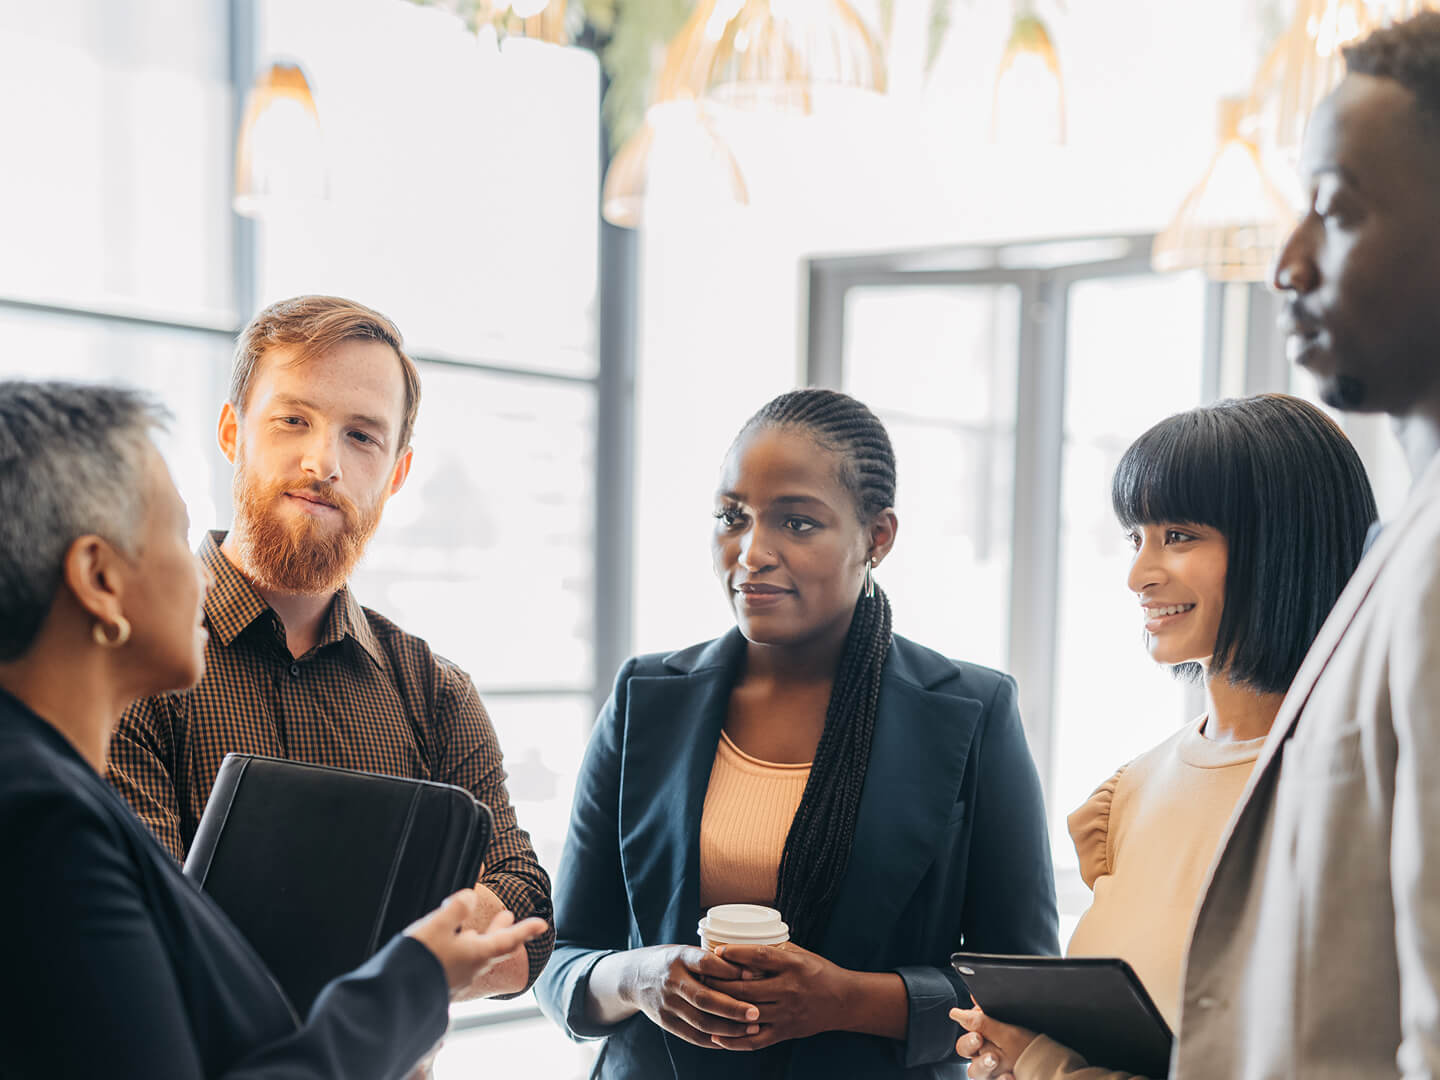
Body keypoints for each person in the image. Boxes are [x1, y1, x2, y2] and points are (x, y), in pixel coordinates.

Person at [0, 380, 549, 1078]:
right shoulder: (42, 818)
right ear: (99, 580)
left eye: (361, 435)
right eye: (174, 531)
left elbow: (527, 902)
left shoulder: (47, 790)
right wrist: (414, 978)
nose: (200, 570)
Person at [535, 388, 1058, 1078]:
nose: (752, 552)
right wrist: (639, 977)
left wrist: (849, 1000)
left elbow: (1023, 986)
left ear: (877, 538)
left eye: (798, 523)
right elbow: (563, 953)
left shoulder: (970, 710)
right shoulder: (645, 698)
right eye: (732, 517)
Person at [107, 295, 553, 1000]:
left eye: (362, 436)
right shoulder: (121, 664)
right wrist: (419, 960)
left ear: (397, 473)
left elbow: (527, 914)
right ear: (232, 432)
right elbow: (152, 945)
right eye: (293, 420)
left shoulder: (435, 692)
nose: (324, 462)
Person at [949, 394, 1377, 1079]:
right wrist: (1014, 1055)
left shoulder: (1363, 793)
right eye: (1136, 537)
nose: (1139, 574)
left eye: (1179, 535)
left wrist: (1043, 1066)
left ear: (1282, 544)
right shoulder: (1132, 791)